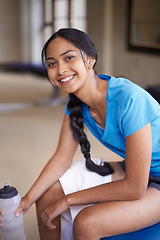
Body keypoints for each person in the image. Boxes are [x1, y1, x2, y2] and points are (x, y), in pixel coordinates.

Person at [1, 28, 160, 240]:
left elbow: (134, 188)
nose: (61, 69)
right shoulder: (76, 102)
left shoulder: (129, 99)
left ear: (90, 60)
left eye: (69, 58)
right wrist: (27, 199)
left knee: (87, 222)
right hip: (139, 169)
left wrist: (68, 200)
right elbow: (61, 157)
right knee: (47, 194)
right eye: (52, 63)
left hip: (147, 180)